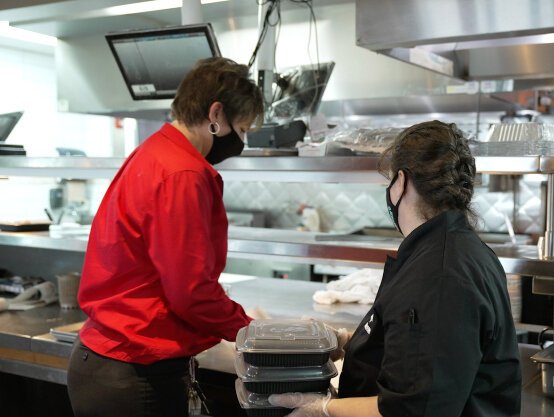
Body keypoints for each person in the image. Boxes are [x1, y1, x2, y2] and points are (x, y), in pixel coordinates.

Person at [269, 120, 522, 416]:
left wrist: (324, 409)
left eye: (389, 180)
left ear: (401, 182)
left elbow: (412, 408)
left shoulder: (440, 274)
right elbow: (422, 349)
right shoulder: (453, 249)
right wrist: (349, 341)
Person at [67, 57, 264, 417]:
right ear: (215, 114)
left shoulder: (156, 152)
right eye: (244, 127)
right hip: (132, 372)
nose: (242, 140)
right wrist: (253, 333)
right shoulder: (183, 172)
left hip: (108, 361)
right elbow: (190, 291)